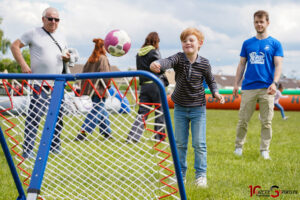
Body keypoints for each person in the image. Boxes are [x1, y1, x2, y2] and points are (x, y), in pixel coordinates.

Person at [150, 27, 225, 188]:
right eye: (184, 41)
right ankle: (180, 175)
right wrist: (157, 63)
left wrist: (216, 93)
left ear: (200, 43)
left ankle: (200, 176)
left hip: (198, 108)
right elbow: (167, 62)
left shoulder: (204, 63)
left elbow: (211, 80)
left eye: (191, 40)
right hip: (180, 108)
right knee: (180, 143)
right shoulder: (179, 58)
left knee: (199, 143)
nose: (187, 43)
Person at [10, 7, 70, 159]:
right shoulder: (33, 33)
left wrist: (67, 59)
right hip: (40, 84)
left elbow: (65, 56)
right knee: (34, 117)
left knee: (58, 117)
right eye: (50, 18)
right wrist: (23, 64)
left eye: (56, 19)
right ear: (43, 19)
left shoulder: (62, 37)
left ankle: (55, 147)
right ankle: (28, 150)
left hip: (58, 83)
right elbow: (14, 46)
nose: (53, 22)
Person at [233, 10, 284, 160]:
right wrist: (236, 84)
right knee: (243, 120)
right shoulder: (247, 43)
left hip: (267, 88)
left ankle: (264, 150)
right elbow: (241, 64)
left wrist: (274, 83)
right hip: (248, 87)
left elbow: (278, 65)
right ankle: (238, 147)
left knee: (266, 121)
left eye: (262, 22)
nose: (259, 24)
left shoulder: (275, 43)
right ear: (254, 23)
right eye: (256, 22)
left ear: (267, 23)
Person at [126, 32, 168, 143]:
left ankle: (133, 137)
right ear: (156, 41)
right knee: (160, 110)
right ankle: (159, 137)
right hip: (156, 84)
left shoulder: (139, 53)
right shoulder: (154, 52)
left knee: (142, 112)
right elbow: (161, 67)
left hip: (144, 86)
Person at [74, 38, 112, 141]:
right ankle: (83, 132)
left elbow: (83, 73)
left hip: (90, 88)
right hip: (99, 88)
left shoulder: (90, 59)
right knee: (96, 110)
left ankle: (106, 132)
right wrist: (108, 85)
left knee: (101, 109)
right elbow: (106, 74)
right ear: (103, 47)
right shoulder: (103, 58)